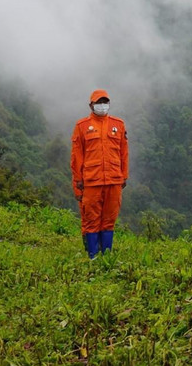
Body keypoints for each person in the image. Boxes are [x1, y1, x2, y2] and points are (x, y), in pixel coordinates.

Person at [71, 89, 129, 258]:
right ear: (91, 105)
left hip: (113, 180)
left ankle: (107, 255)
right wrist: (78, 181)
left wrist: (124, 175)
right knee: (91, 220)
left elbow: (124, 153)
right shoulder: (81, 126)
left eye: (105, 102)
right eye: (98, 102)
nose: (102, 106)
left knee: (109, 219)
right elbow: (76, 156)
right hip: (91, 181)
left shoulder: (118, 125)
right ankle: (93, 256)